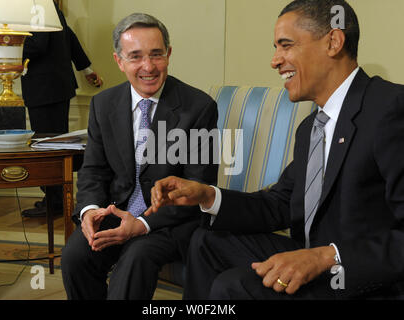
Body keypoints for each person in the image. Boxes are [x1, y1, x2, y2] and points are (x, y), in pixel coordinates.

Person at [148, 0, 404, 300]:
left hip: (361, 276)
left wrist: (326, 257)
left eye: (286, 45)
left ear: (333, 41)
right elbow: (281, 204)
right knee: (206, 241)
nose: (275, 60)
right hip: (315, 258)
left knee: (233, 286)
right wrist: (208, 196)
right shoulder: (311, 127)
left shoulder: (390, 109)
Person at [60, 13, 218, 300]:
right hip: (115, 212)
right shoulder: (103, 104)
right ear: (119, 61)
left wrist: (142, 224)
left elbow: (198, 185)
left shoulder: (198, 107)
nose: (148, 67)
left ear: (168, 54)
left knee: (135, 259)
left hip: (169, 222)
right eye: (135, 57)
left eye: (156, 55)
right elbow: (93, 170)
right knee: (75, 256)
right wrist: (90, 211)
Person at [21, 1, 102, 218]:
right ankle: (56, 198)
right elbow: (70, 37)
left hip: (45, 88)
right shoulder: (46, 5)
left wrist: (9, 47)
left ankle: (56, 202)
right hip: (54, 87)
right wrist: (87, 69)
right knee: (54, 145)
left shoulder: (36, 5)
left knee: (48, 147)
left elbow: (37, 45)